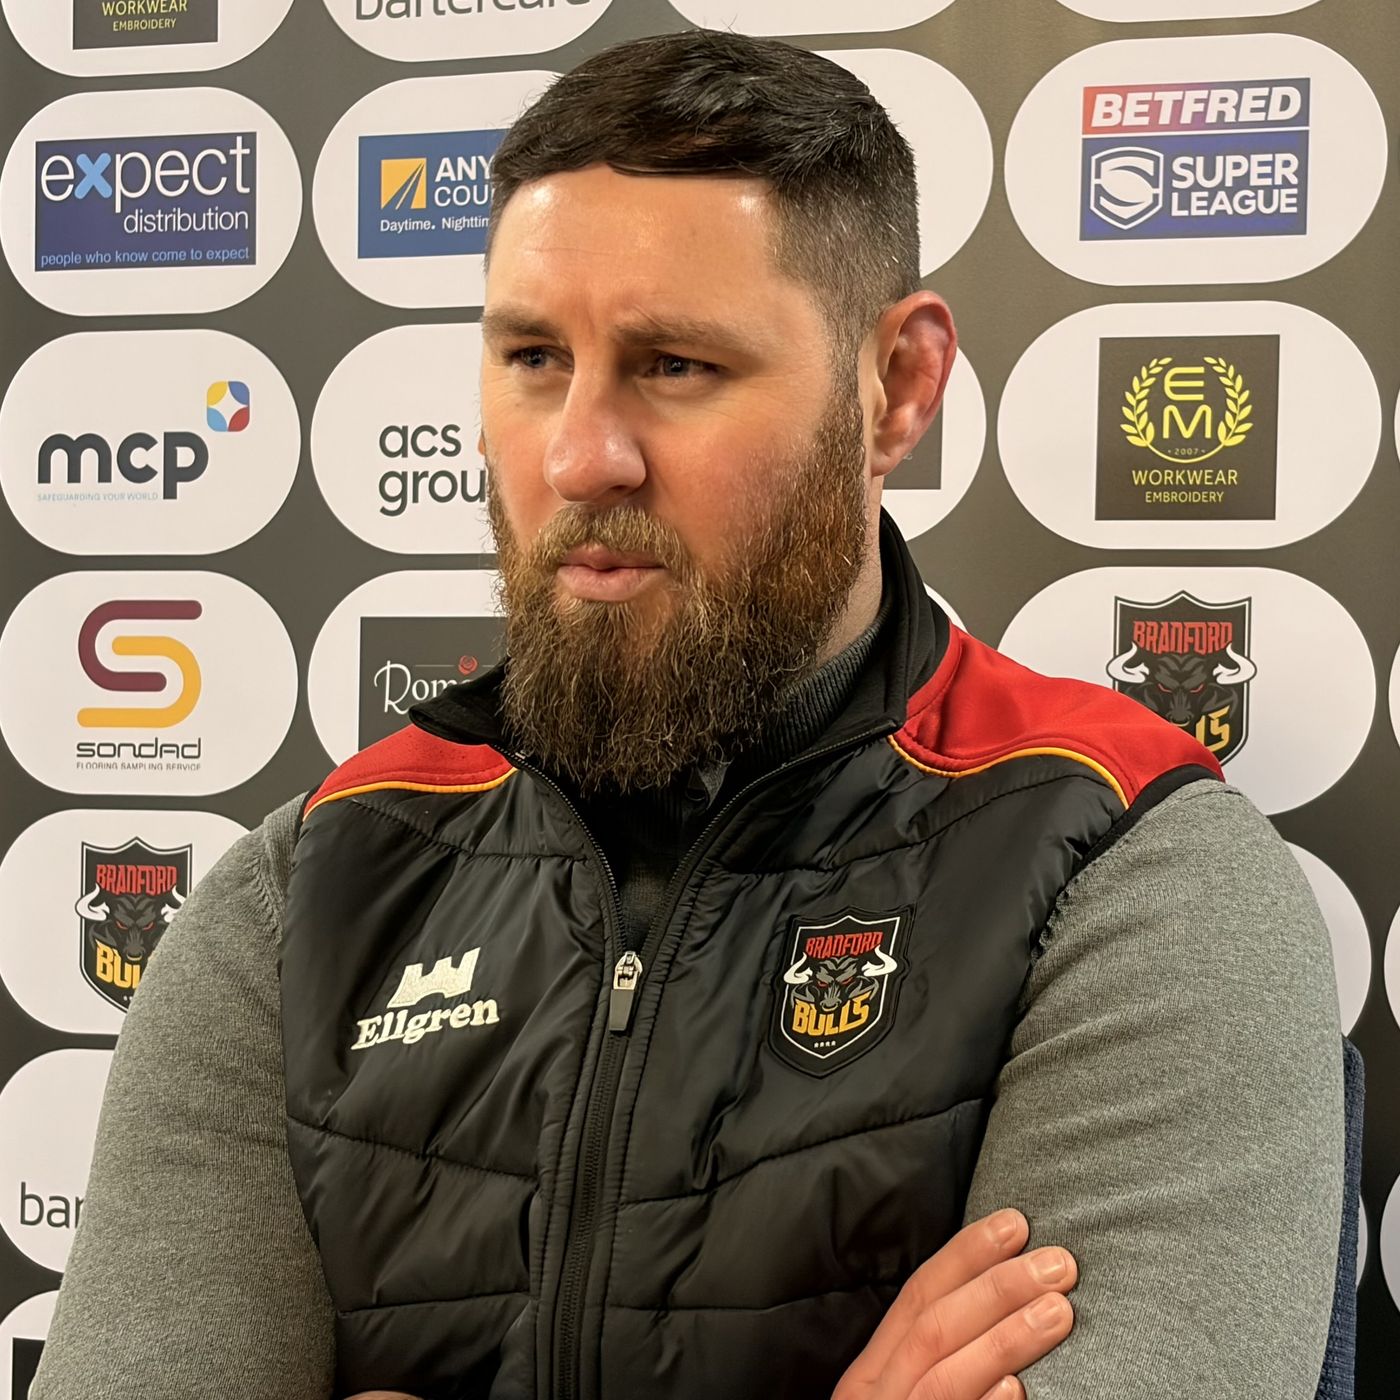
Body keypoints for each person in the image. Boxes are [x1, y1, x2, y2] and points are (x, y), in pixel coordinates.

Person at [31, 28, 1344, 1400]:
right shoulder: (307, 890)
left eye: (674, 365)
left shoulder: (1123, 862)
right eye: (534, 357)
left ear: (896, 388)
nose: (580, 455)